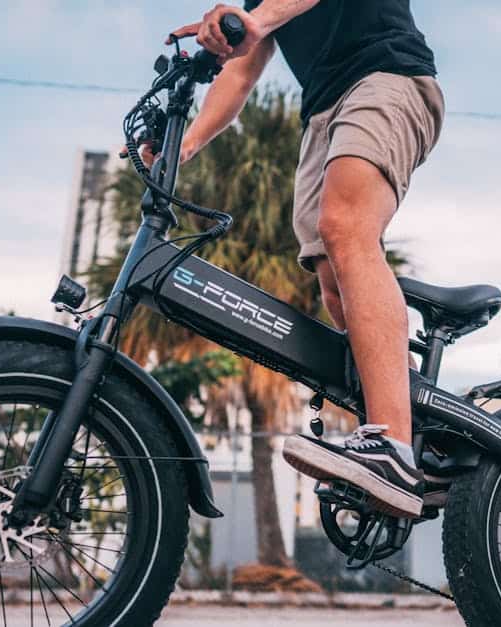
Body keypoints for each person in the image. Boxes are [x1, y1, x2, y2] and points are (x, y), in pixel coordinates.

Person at [159, 0, 443, 518]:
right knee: (333, 278)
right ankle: (424, 435)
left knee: (346, 228)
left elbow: (261, 24)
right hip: (323, 112)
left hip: (388, 77)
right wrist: (185, 147)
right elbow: (240, 75)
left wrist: (260, 19)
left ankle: (395, 447)